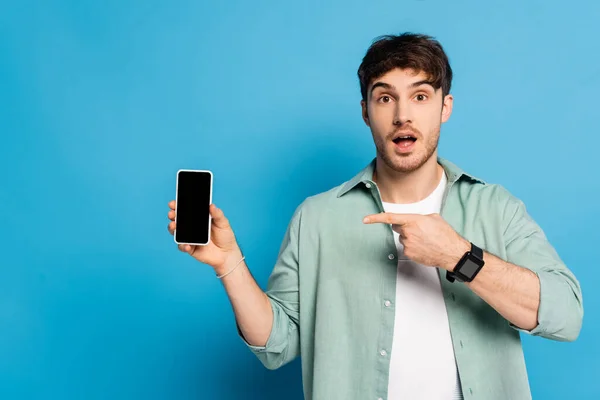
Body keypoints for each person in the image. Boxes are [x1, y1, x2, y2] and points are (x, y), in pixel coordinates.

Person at [166, 32, 583, 400]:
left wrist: (459, 255)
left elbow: (565, 315)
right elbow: (277, 346)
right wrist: (229, 264)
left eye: (420, 96)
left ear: (445, 107)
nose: (403, 115)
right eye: (386, 97)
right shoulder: (317, 218)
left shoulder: (496, 208)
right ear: (366, 111)